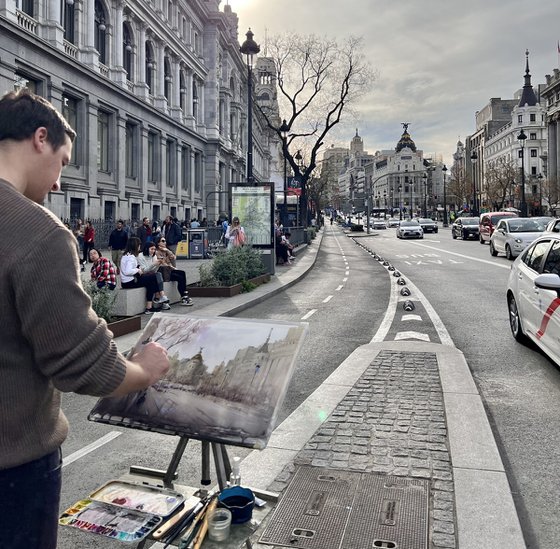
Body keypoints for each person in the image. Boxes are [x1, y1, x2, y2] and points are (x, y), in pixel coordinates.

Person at [0, 89, 169, 549]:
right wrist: (144, 370)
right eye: (63, 159)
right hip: (12, 471)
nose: (59, 182)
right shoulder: (37, 232)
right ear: (40, 139)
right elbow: (81, 363)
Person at [120, 237, 165, 314]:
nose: (140, 247)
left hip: (128, 281)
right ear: (135, 246)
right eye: (139, 245)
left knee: (150, 280)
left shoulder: (126, 255)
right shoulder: (131, 257)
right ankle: (157, 298)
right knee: (153, 277)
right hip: (130, 282)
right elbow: (127, 271)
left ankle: (150, 306)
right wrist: (138, 270)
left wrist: (138, 268)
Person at [154, 235, 193, 306]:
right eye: (162, 241)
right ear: (158, 243)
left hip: (168, 270)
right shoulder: (156, 252)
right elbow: (163, 263)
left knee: (182, 273)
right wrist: (172, 267)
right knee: (179, 277)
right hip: (163, 272)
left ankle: (184, 294)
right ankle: (183, 296)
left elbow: (173, 258)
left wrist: (167, 250)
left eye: (165, 241)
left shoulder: (165, 251)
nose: (165, 242)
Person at [137, 241, 170, 310]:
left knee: (158, 274)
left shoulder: (154, 256)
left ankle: (161, 297)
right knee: (155, 277)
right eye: (151, 249)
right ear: (146, 248)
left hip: (151, 274)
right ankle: (161, 297)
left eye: (154, 249)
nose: (153, 251)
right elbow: (144, 271)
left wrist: (158, 265)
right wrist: (154, 264)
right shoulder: (140, 256)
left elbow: (154, 271)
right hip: (143, 275)